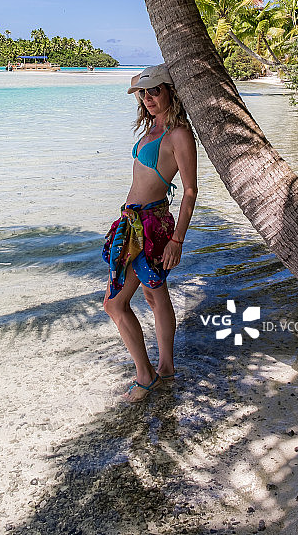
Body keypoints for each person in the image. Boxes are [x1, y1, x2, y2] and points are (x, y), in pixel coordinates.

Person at [102, 64, 198, 402]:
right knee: (155, 297)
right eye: (143, 93)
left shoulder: (178, 134)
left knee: (114, 305)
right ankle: (167, 368)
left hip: (151, 227)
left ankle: (146, 376)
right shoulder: (154, 128)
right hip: (134, 222)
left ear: (171, 90)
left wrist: (177, 240)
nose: (148, 98)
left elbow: (189, 191)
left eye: (154, 90)